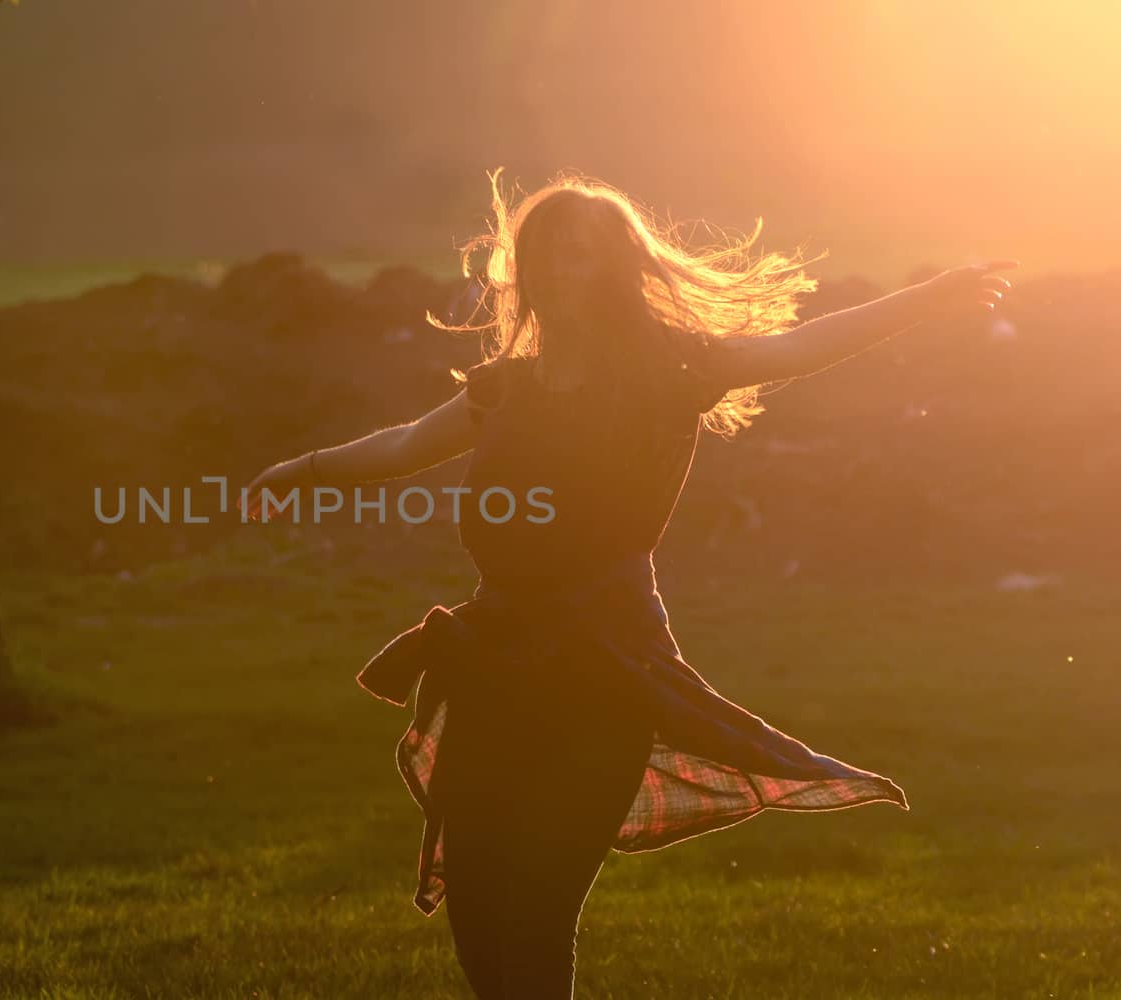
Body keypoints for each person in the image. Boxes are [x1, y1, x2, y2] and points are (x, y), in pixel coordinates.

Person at [239, 170, 1014, 999]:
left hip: (606, 669)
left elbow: (800, 347)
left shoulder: (670, 369)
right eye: (549, 255)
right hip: (495, 667)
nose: (567, 272)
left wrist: (926, 299)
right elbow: (401, 448)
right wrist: (302, 469)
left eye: (586, 256)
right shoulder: (508, 387)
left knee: (537, 908)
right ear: (524, 270)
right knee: (477, 905)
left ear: (616, 268)